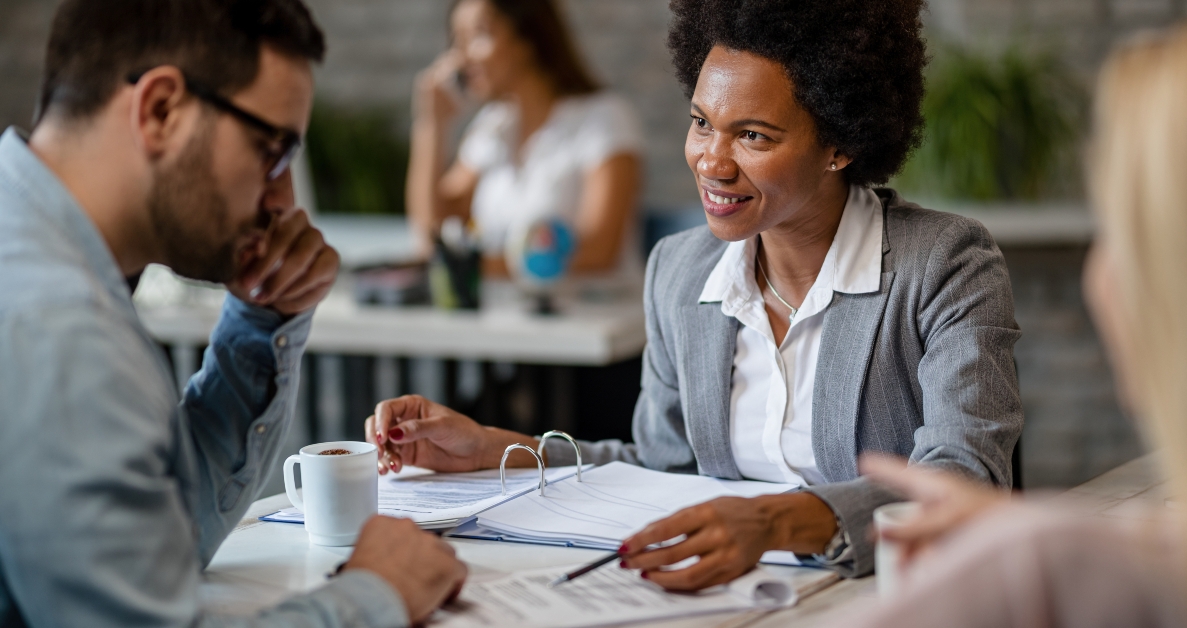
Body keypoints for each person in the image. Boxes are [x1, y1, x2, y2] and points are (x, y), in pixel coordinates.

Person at [368, 0, 1023, 589]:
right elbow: (660, 466)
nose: (712, 161)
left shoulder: (944, 265)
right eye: (702, 123)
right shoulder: (680, 272)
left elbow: (965, 480)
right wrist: (496, 450)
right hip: (732, 600)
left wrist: (772, 523)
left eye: (753, 135)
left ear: (840, 145)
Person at [0, 1, 465, 626]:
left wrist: (263, 317)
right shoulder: (59, 329)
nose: (282, 201)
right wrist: (378, 592)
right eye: (270, 151)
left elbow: (164, 538)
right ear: (161, 110)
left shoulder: (39, 257)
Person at [826, 17, 1187, 628]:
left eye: (1121, 233)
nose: (1101, 277)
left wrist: (1042, 557)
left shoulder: (946, 257)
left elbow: (964, 459)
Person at [405, 0, 643, 280]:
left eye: (478, 35)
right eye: (457, 41)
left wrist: (469, 266)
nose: (460, 59)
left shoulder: (604, 119)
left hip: (588, 305)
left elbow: (599, 250)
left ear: (527, 37)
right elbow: (432, 233)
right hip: (506, 306)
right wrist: (432, 126)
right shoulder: (492, 126)